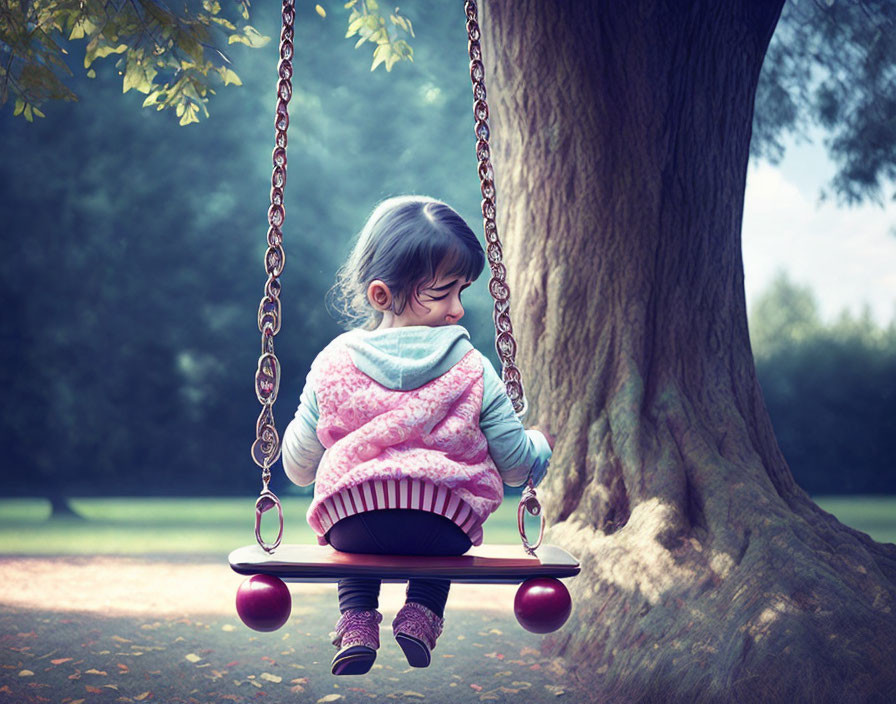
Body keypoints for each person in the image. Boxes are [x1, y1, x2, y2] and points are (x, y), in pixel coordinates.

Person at [281, 195, 553, 676]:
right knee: (443, 516)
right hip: (441, 527)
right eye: (444, 292)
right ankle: (422, 614)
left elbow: (299, 468)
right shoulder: (475, 367)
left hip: (353, 521)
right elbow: (515, 466)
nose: (458, 310)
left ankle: (357, 620)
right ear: (382, 294)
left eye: (462, 292)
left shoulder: (333, 363)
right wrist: (540, 447)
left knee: (354, 520)